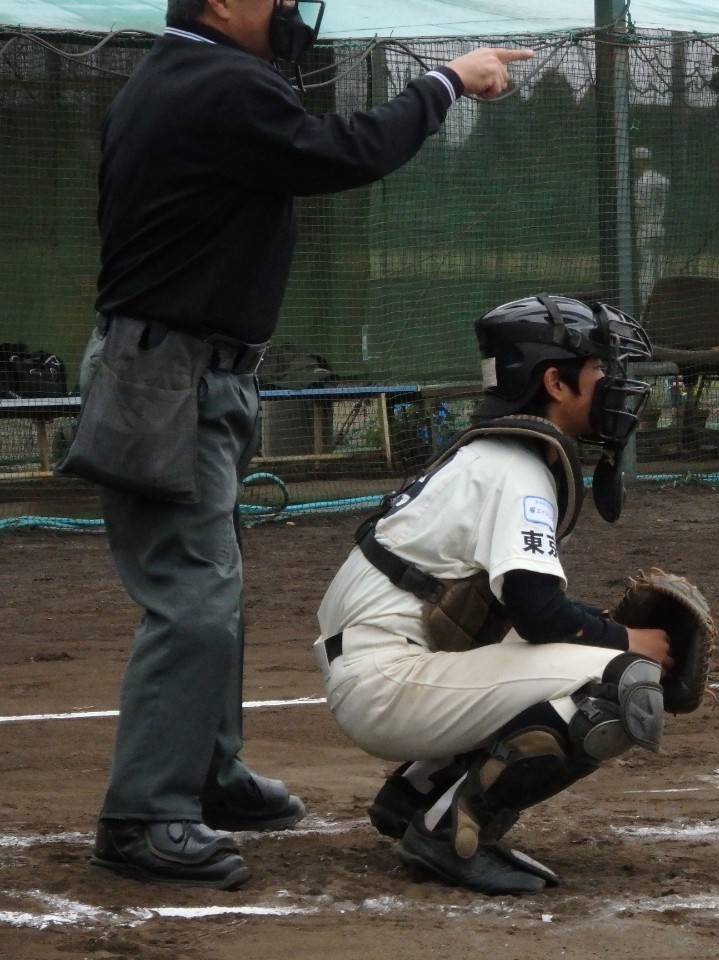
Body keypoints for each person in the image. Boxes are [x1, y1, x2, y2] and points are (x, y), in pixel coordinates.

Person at [60, 0, 531, 890]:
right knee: (193, 593)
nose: (288, 7)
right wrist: (446, 82)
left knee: (214, 582)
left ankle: (206, 771)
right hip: (168, 378)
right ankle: (143, 817)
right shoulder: (217, 82)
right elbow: (344, 151)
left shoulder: (187, 77)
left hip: (190, 371)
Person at [313, 295, 675, 895]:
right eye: (598, 368)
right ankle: (452, 830)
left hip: (381, 667)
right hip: (389, 682)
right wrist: (625, 639)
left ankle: (420, 793)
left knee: (586, 657)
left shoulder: (491, 455)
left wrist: (600, 627)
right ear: (555, 382)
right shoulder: (517, 469)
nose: (611, 383)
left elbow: (527, 609)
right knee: (621, 680)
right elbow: (538, 614)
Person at [632, 146, 669, 308]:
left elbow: (639, 205)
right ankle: (660, 302)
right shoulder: (662, 179)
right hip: (658, 228)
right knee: (657, 268)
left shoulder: (642, 182)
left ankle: (646, 304)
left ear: (641, 161)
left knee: (646, 270)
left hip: (644, 229)